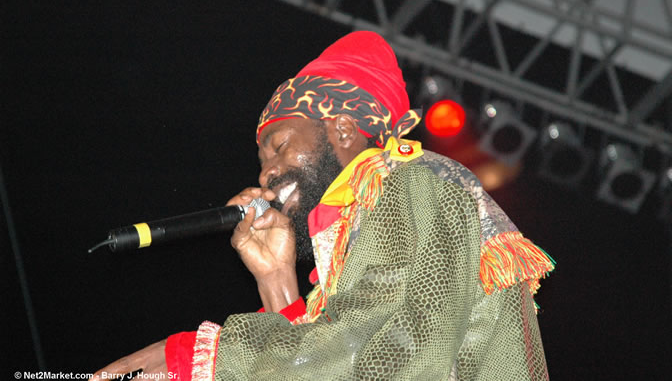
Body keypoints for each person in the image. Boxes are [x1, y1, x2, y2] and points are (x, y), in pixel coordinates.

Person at [92, 31, 555, 380]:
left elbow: (392, 351)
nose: (265, 174)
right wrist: (276, 279)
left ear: (343, 131)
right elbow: (332, 358)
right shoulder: (360, 228)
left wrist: (199, 358)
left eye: (278, 146)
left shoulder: (411, 179)